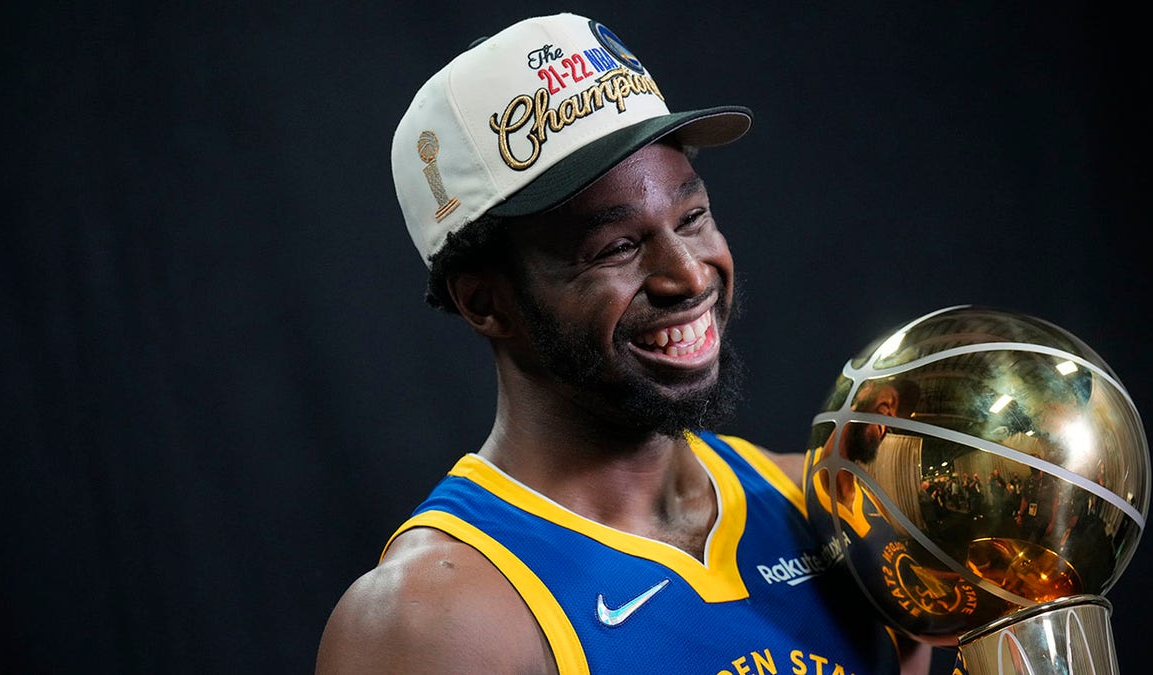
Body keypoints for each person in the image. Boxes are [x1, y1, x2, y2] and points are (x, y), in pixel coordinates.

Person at [315, 12, 933, 674]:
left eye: (691, 217)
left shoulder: (829, 508)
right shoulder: (434, 623)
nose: (689, 274)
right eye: (617, 246)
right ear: (484, 301)